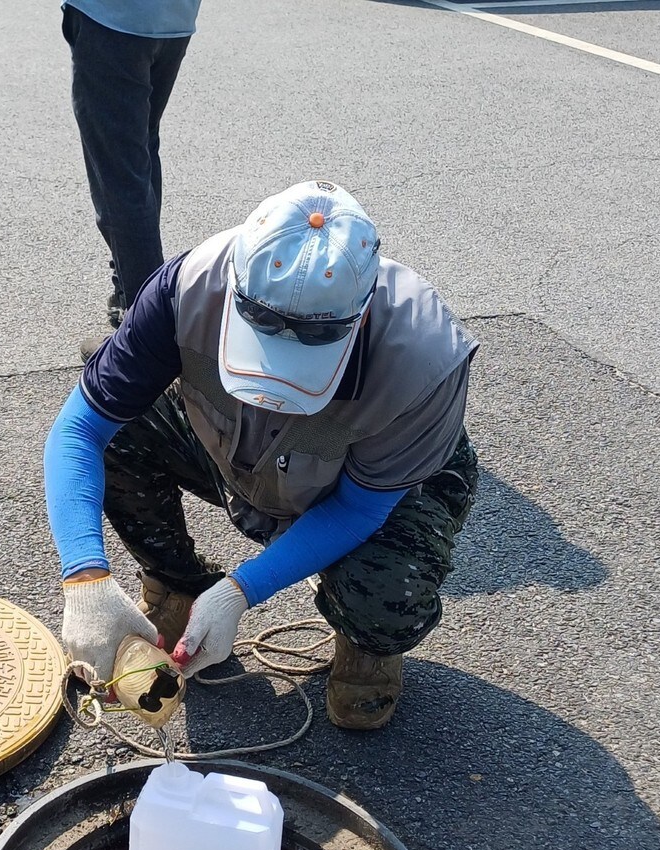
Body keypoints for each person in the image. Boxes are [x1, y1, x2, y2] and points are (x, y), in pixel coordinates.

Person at [44, 181, 479, 730]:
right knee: (123, 423)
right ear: (235, 288)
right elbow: (80, 430)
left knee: (388, 590)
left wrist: (242, 592)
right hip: (236, 447)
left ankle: (367, 643)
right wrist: (85, 580)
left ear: (362, 314)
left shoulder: (422, 360)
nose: (276, 387)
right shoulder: (189, 288)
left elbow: (360, 508)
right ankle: (179, 585)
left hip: (368, 483)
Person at [60, 1, 200, 349]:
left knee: (122, 175)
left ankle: (147, 339)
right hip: (174, 19)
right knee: (139, 153)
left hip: (113, 20)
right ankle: (134, 292)